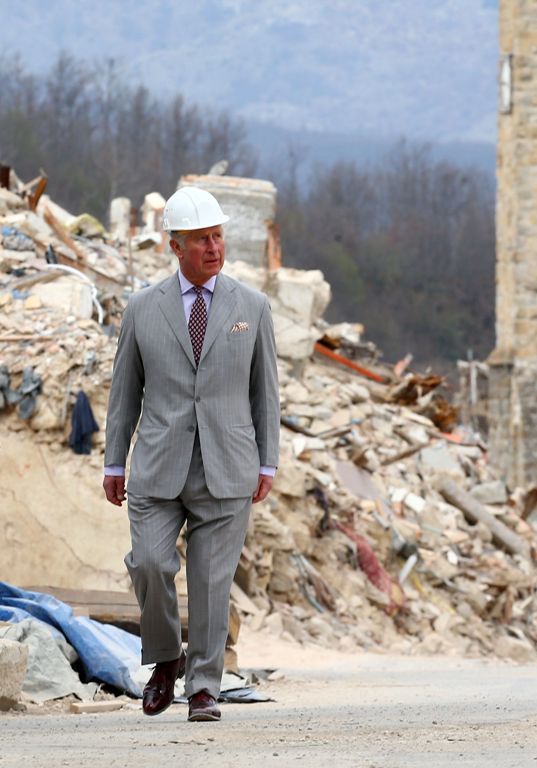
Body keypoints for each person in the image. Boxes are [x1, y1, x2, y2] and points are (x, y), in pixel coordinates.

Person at [103, 186, 279, 722]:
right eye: (201, 239)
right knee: (151, 565)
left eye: (218, 236)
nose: (214, 247)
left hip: (228, 464)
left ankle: (203, 686)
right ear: (174, 246)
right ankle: (164, 659)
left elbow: (265, 390)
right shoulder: (142, 308)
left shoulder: (252, 306)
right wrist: (114, 461)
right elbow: (123, 390)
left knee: (210, 581)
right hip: (157, 463)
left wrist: (267, 461)